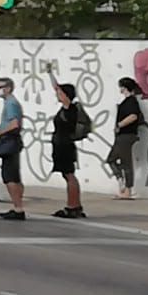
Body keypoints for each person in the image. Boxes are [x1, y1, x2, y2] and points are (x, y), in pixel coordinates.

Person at [50, 77, 88, 219]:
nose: (57, 95)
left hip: (64, 145)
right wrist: (50, 74)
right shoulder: (69, 109)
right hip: (63, 144)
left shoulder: (69, 109)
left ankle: (72, 206)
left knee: (69, 175)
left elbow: (59, 90)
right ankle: (74, 205)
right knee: (68, 175)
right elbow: (57, 87)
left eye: (60, 94)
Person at [0, 77, 28, 220]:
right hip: (11, 141)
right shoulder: (9, 103)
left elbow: (14, 124)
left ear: (7, 88)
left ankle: (18, 207)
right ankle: (17, 206)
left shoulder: (11, 104)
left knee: (10, 177)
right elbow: (4, 124)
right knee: (13, 175)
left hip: (10, 142)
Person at [111, 77, 145, 200]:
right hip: (122, 135)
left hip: (127, 135)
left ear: (124, 88)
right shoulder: (127, 101)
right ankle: (122, 181)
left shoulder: (131, 101)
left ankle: (127, 189)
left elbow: (133, 116)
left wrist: (120, 125)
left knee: (126, 162)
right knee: (112, 159)